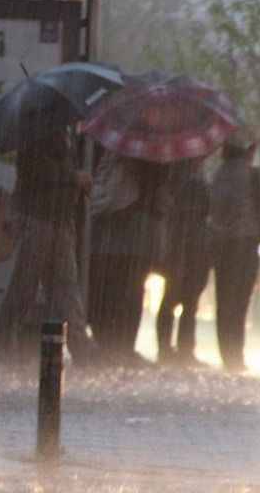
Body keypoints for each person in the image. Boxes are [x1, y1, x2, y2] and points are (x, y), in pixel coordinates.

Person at [0, 127, 95, 359]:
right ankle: (2, 343)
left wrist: (75, 184)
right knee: (24, 286)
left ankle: (82, 350)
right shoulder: (37, 130)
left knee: (65, 288)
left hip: (59, 220)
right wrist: (73, 178)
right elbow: (37, 171)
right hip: (39, 219)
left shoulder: (66, 132)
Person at [88, 152, 172, 367]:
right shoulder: (147, 158)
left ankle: (110, 345)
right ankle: (121, 348)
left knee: (111, 291)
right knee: (130, 292)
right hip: (134, 236)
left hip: (112, 234)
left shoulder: (112, 151)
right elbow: (159, 200)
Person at [208, 135, 260, 373]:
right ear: (248, 150)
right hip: (245, 243)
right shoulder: (253, 175)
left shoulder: (218, 175)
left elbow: (214, 209)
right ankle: (236, 355)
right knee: (240, 302)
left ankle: (227, 354)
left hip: (222, 244)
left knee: (224, 300)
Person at [155, 159, 212, 366]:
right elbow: (206, 209)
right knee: (187, 300)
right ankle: (182, 349)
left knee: (173, 298)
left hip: (180, 245)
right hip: (191, 246)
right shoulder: (194, 181)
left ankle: (166, 348)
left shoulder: (174, 179)